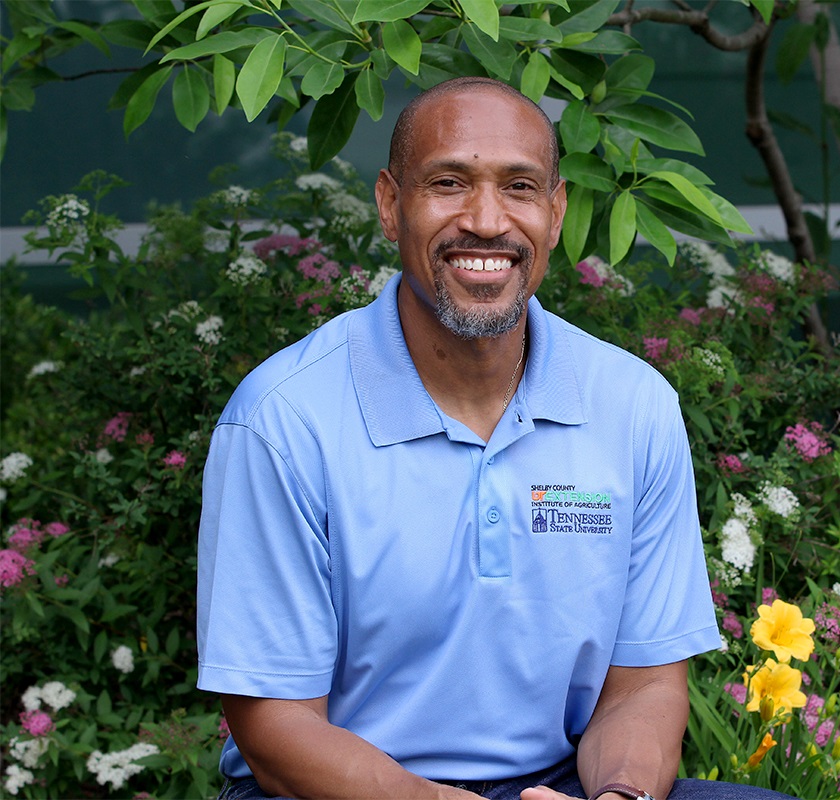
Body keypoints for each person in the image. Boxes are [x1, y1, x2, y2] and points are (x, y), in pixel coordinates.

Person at [197, 76, 795, 800]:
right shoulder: (283, 419)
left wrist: (616, 798)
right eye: (448, 182)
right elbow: (272, 727)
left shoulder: (632, 405)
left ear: (555, 209)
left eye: (519, 186)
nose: (486, 220)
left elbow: (641, 690)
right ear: (391, 205)